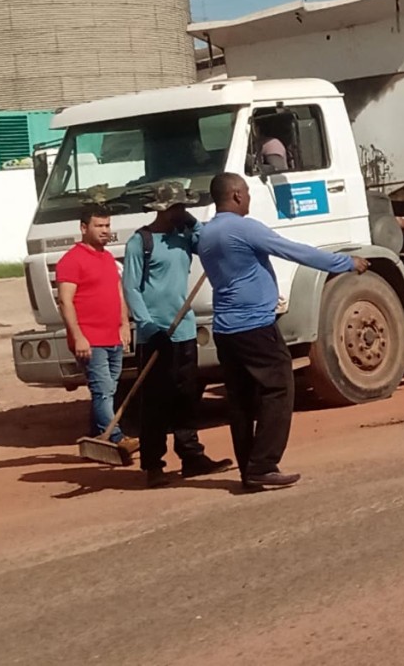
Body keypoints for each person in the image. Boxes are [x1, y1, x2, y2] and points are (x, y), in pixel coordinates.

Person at [198, 173, 369, 492]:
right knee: (278, 387)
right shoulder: (243, 228)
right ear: (235, 195)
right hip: (254, 326)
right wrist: (345, 262)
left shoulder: (207, 234)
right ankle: (264, 464)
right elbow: (294, 251)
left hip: (225, 328)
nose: (248, 198)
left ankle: (249, 471)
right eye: (247, 193)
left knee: (241, 401)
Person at [122, 182, 233, 489]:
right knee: (155, 401)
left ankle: (192, 457)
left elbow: (211, 246)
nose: (183, 212)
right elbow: (131, 288)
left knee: (186, 397)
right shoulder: (140, 242)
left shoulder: (185, 236)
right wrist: (146, 325)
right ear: (163, 209)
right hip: (155, 334)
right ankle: (153, 465)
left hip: (183, 330)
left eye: (185, 208)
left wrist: (195, 224)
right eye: (178, 208)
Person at [55, 205, 138, 464]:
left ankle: (95, 438)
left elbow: (118, 292)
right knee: (103, 390)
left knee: (108, 389)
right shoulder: (70, 261)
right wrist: (78, 336)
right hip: (90, 340)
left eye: (107, 226)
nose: (105, 231)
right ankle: (116, 438)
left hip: (113, 336)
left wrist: (124, 323)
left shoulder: (107, 259)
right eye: (99, 226)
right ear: (83, 228)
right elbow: (66, 302)